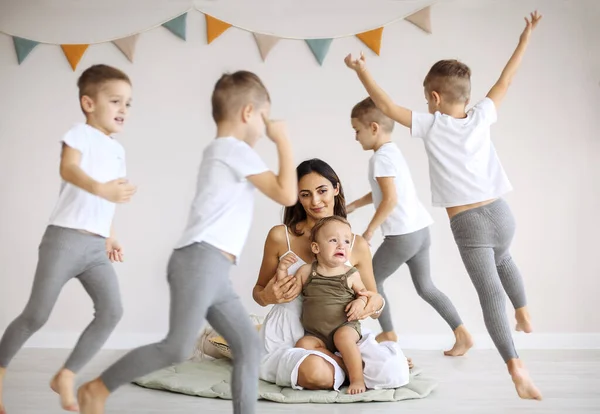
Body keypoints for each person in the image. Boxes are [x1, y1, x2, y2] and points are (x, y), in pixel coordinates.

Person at [344, 11, 543, 400]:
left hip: (469, 223)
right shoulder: (482, 115)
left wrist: (360, 71)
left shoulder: (431, 125)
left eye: (425, 98)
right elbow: (507, 78)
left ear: (434, 98)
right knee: (506, 262)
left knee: (488, 295)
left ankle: (515, 366)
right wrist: (526, 39)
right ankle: (523, 310)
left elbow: (384, 103)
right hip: (502, 214)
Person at [76, 70, 297, 414]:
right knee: (177, 347)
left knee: (248, 346)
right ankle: (97, 389)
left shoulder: (221, 150)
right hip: (201, 262)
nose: (266, 127)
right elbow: (287, 193)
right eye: (265, 118)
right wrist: (283, 140)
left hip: (212, 268)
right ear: (248, 113)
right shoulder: (233, 149)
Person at [0, 64, 136, 413]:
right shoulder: (80, 134)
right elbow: (69, 169)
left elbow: (109, 199)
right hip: (64, 239)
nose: (123, 109)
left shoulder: (118, 150)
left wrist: (112, 236)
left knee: (111, 311)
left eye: (128, 103)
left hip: (95, 245)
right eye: (115, 101)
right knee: (37, 314)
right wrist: (100, 188)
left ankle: (66, 374)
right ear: (89, 103)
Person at [254, 158, 397, 391]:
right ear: (297, 198)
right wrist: (269, 296)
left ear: (336, 188)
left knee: (392, 371)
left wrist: (367, 304)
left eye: (322, 191)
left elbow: (375, 300)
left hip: (341, 332)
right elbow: (258, 292)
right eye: (305, 194)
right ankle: (354, 368)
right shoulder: (281, 237)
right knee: (315, 374)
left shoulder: (356, 244)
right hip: (291, 335)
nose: (315, 201)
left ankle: (354, 366)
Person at [346, 97, 472, 356]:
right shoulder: (391, 152)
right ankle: (462, 334)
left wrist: (369, 231)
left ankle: (388, 332)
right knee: (426, 287)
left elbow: (390, 199)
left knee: (371, 281)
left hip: (402, 236)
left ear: (373, 128)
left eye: (357, 131)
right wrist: (356, 204)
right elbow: (384, 192)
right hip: (420, 231)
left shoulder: (380, 159)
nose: (355, 138)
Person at [277, 216, 372, 394]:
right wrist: (282, 270)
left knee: (342, 338)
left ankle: (357, 379)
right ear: (316, 247)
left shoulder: (350, 274)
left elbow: (365, 294)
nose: (341, 245)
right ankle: (341, 363)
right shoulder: (307, 271)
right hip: (316, 334)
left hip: (345, 326)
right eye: (333, 240)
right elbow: (287, 293)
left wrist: (360, 302)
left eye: (346, 241)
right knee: (302, 344)